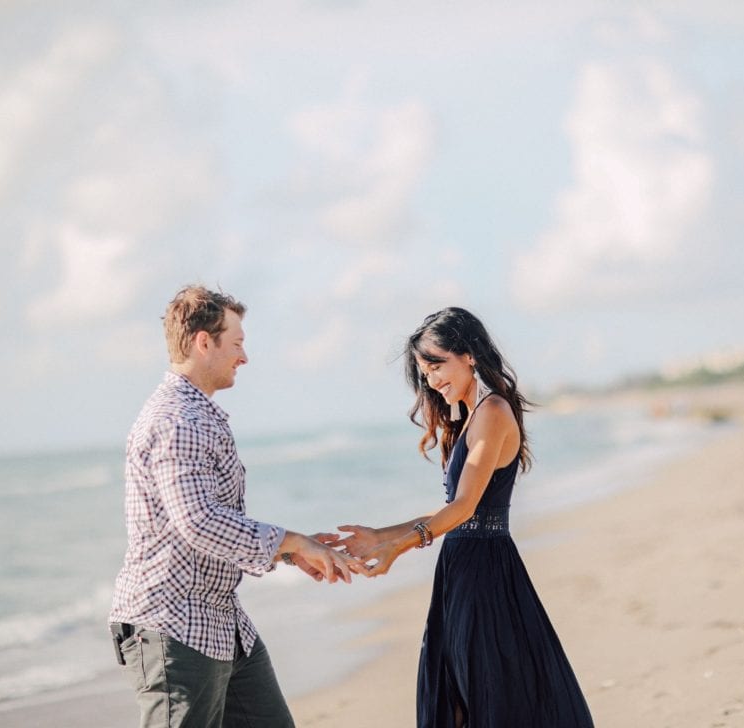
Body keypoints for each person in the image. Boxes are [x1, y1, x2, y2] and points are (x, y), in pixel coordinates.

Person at [108, 284, 368, 728]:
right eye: (237, 343)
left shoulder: (196, 413)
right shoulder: (178, 420)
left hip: (221, 623)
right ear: (203, 342)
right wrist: (294, 543)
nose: (244, 357)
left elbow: (203, 524)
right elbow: (198, 521)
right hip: (174, 627)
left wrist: (288, 551)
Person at [332, 307, 594, 728]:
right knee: (462, 689)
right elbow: (454, 512)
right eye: (425, 373)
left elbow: (465, 508)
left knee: (486, 692)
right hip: (462, 567)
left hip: (485, 574)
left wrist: (397, 547)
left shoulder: (492, 412)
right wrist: (379, 535)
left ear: (468, 354)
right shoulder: (471, 417)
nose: (433, 380)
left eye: (437, 365)